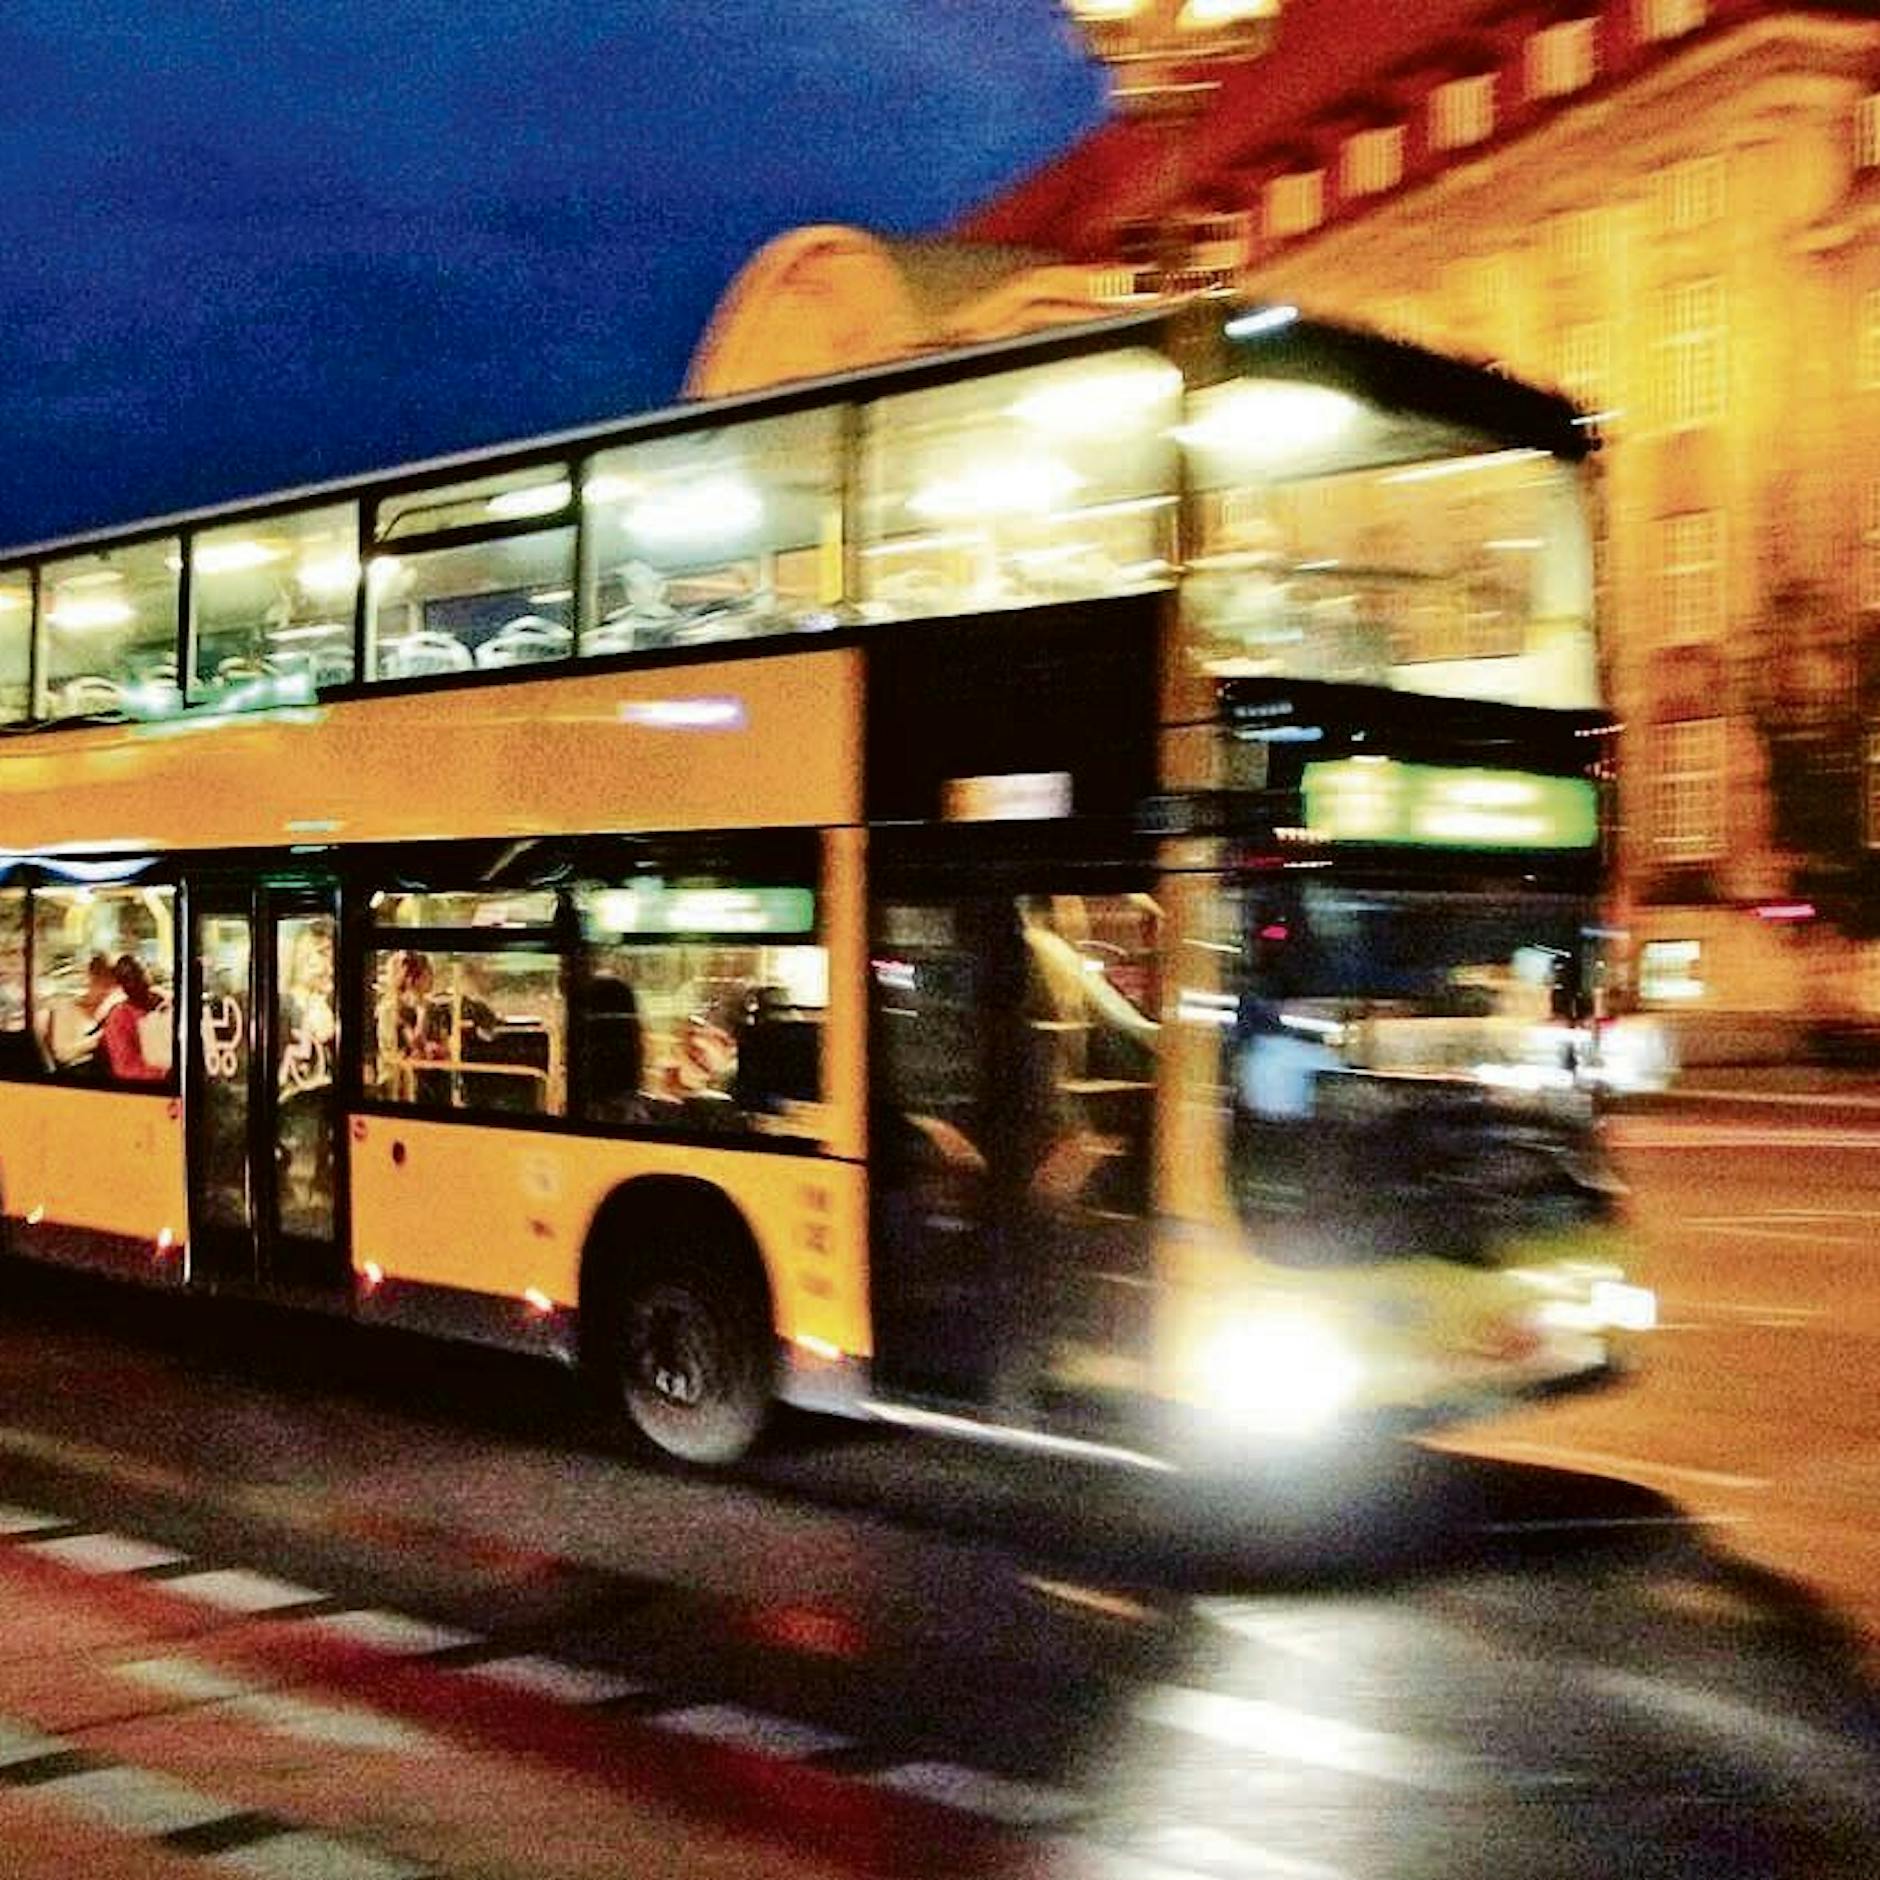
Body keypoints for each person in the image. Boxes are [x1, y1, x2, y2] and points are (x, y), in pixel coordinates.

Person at [97, 954, 167, 1084]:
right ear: (121, 985)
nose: (135, 981)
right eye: (127, 978)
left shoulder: (166, 1001)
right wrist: (164, 1074)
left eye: (138, 973)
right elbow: (126, 1069)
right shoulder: (118, 1018)